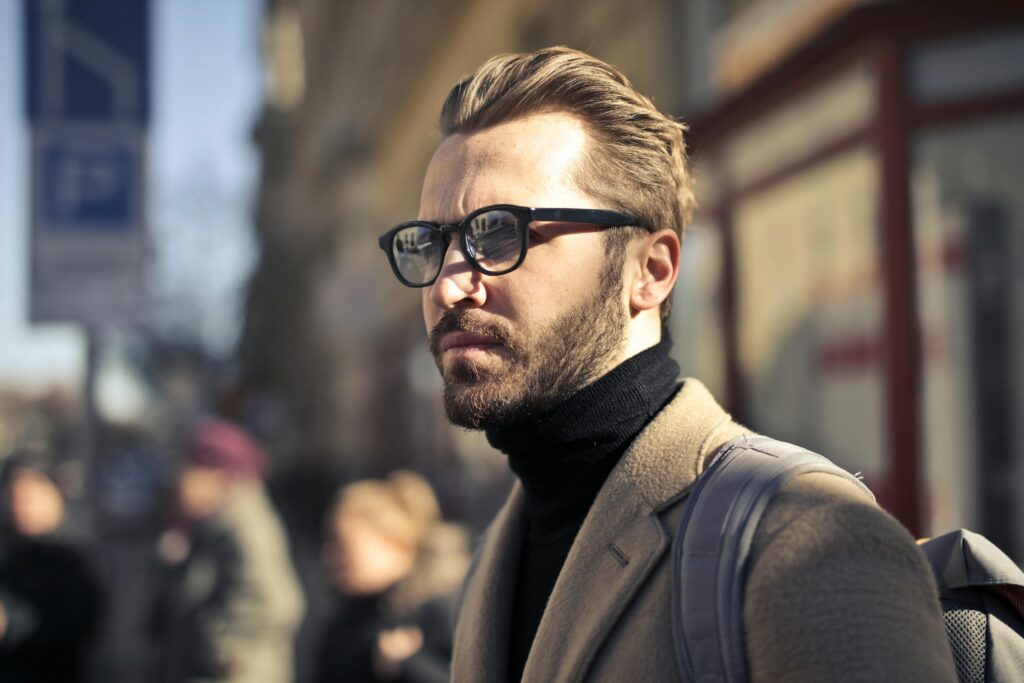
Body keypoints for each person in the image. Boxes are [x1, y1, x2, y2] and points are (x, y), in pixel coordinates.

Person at [376, 46, 960, 681]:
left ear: (649, 272)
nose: (446, 287)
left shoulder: (804, 540)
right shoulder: (493, 558)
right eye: (432, 243)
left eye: (497, 233)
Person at [148, 417, 305, 683]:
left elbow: (275, 602)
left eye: (188, 469)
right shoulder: (208, 521)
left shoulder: (243, 524)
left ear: (216, 475)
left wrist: (216, 652)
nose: (179, 481)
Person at [315, 471, 469, 683]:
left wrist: (409, 663)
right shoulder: (341, 627)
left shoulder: (441, 615)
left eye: (343, 546)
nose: (330, 556)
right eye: (329, 543)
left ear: (398, 546)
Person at [0, 455, 103, 683]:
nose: (21, 507)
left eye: (28, 498)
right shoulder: (9, 548)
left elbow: (76, 622)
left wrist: (11, 624)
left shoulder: (78, 554)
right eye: (15, 498)